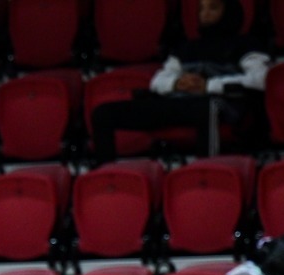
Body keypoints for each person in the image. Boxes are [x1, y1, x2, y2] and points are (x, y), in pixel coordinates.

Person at [89, 0, 268, 160]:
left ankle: (207, 167)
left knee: (207, 108)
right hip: (180, 101)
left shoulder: (246, 44)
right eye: (201, 9)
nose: (205, 14)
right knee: (103, 113)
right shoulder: (186, 48)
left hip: (219, 101)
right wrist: (177, 83)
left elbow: (260, 79)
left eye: (213, 8)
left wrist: (208, 86)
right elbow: (158, 80)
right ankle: (104, 170)